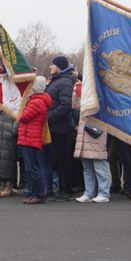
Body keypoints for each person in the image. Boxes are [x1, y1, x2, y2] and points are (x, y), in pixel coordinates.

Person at [45, 55, 77, 200]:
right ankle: (62, 189)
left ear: (59, 66)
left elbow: (65, 105)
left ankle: (66, 190)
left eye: (52, 64)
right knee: (56, 159)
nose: (50, 67)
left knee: (63, 160)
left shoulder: (64, 82)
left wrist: (49, 118)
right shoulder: (56, 81)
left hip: (61, 128)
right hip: (55, 128)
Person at [18, 76, 52, 204]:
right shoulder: (36, 100)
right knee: (30, 167)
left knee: (33, 168)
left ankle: (38, 194)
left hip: (31, 138)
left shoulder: (36, 102)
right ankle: (34, 193)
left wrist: (23, 105)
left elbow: (23, 117)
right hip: (29, 137)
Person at [74, 117, 111, 203]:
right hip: (85, 135)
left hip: (96, 134)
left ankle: (104, 193)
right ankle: (89, 193)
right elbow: (75, 106)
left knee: (100, 167)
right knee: (87, 169)